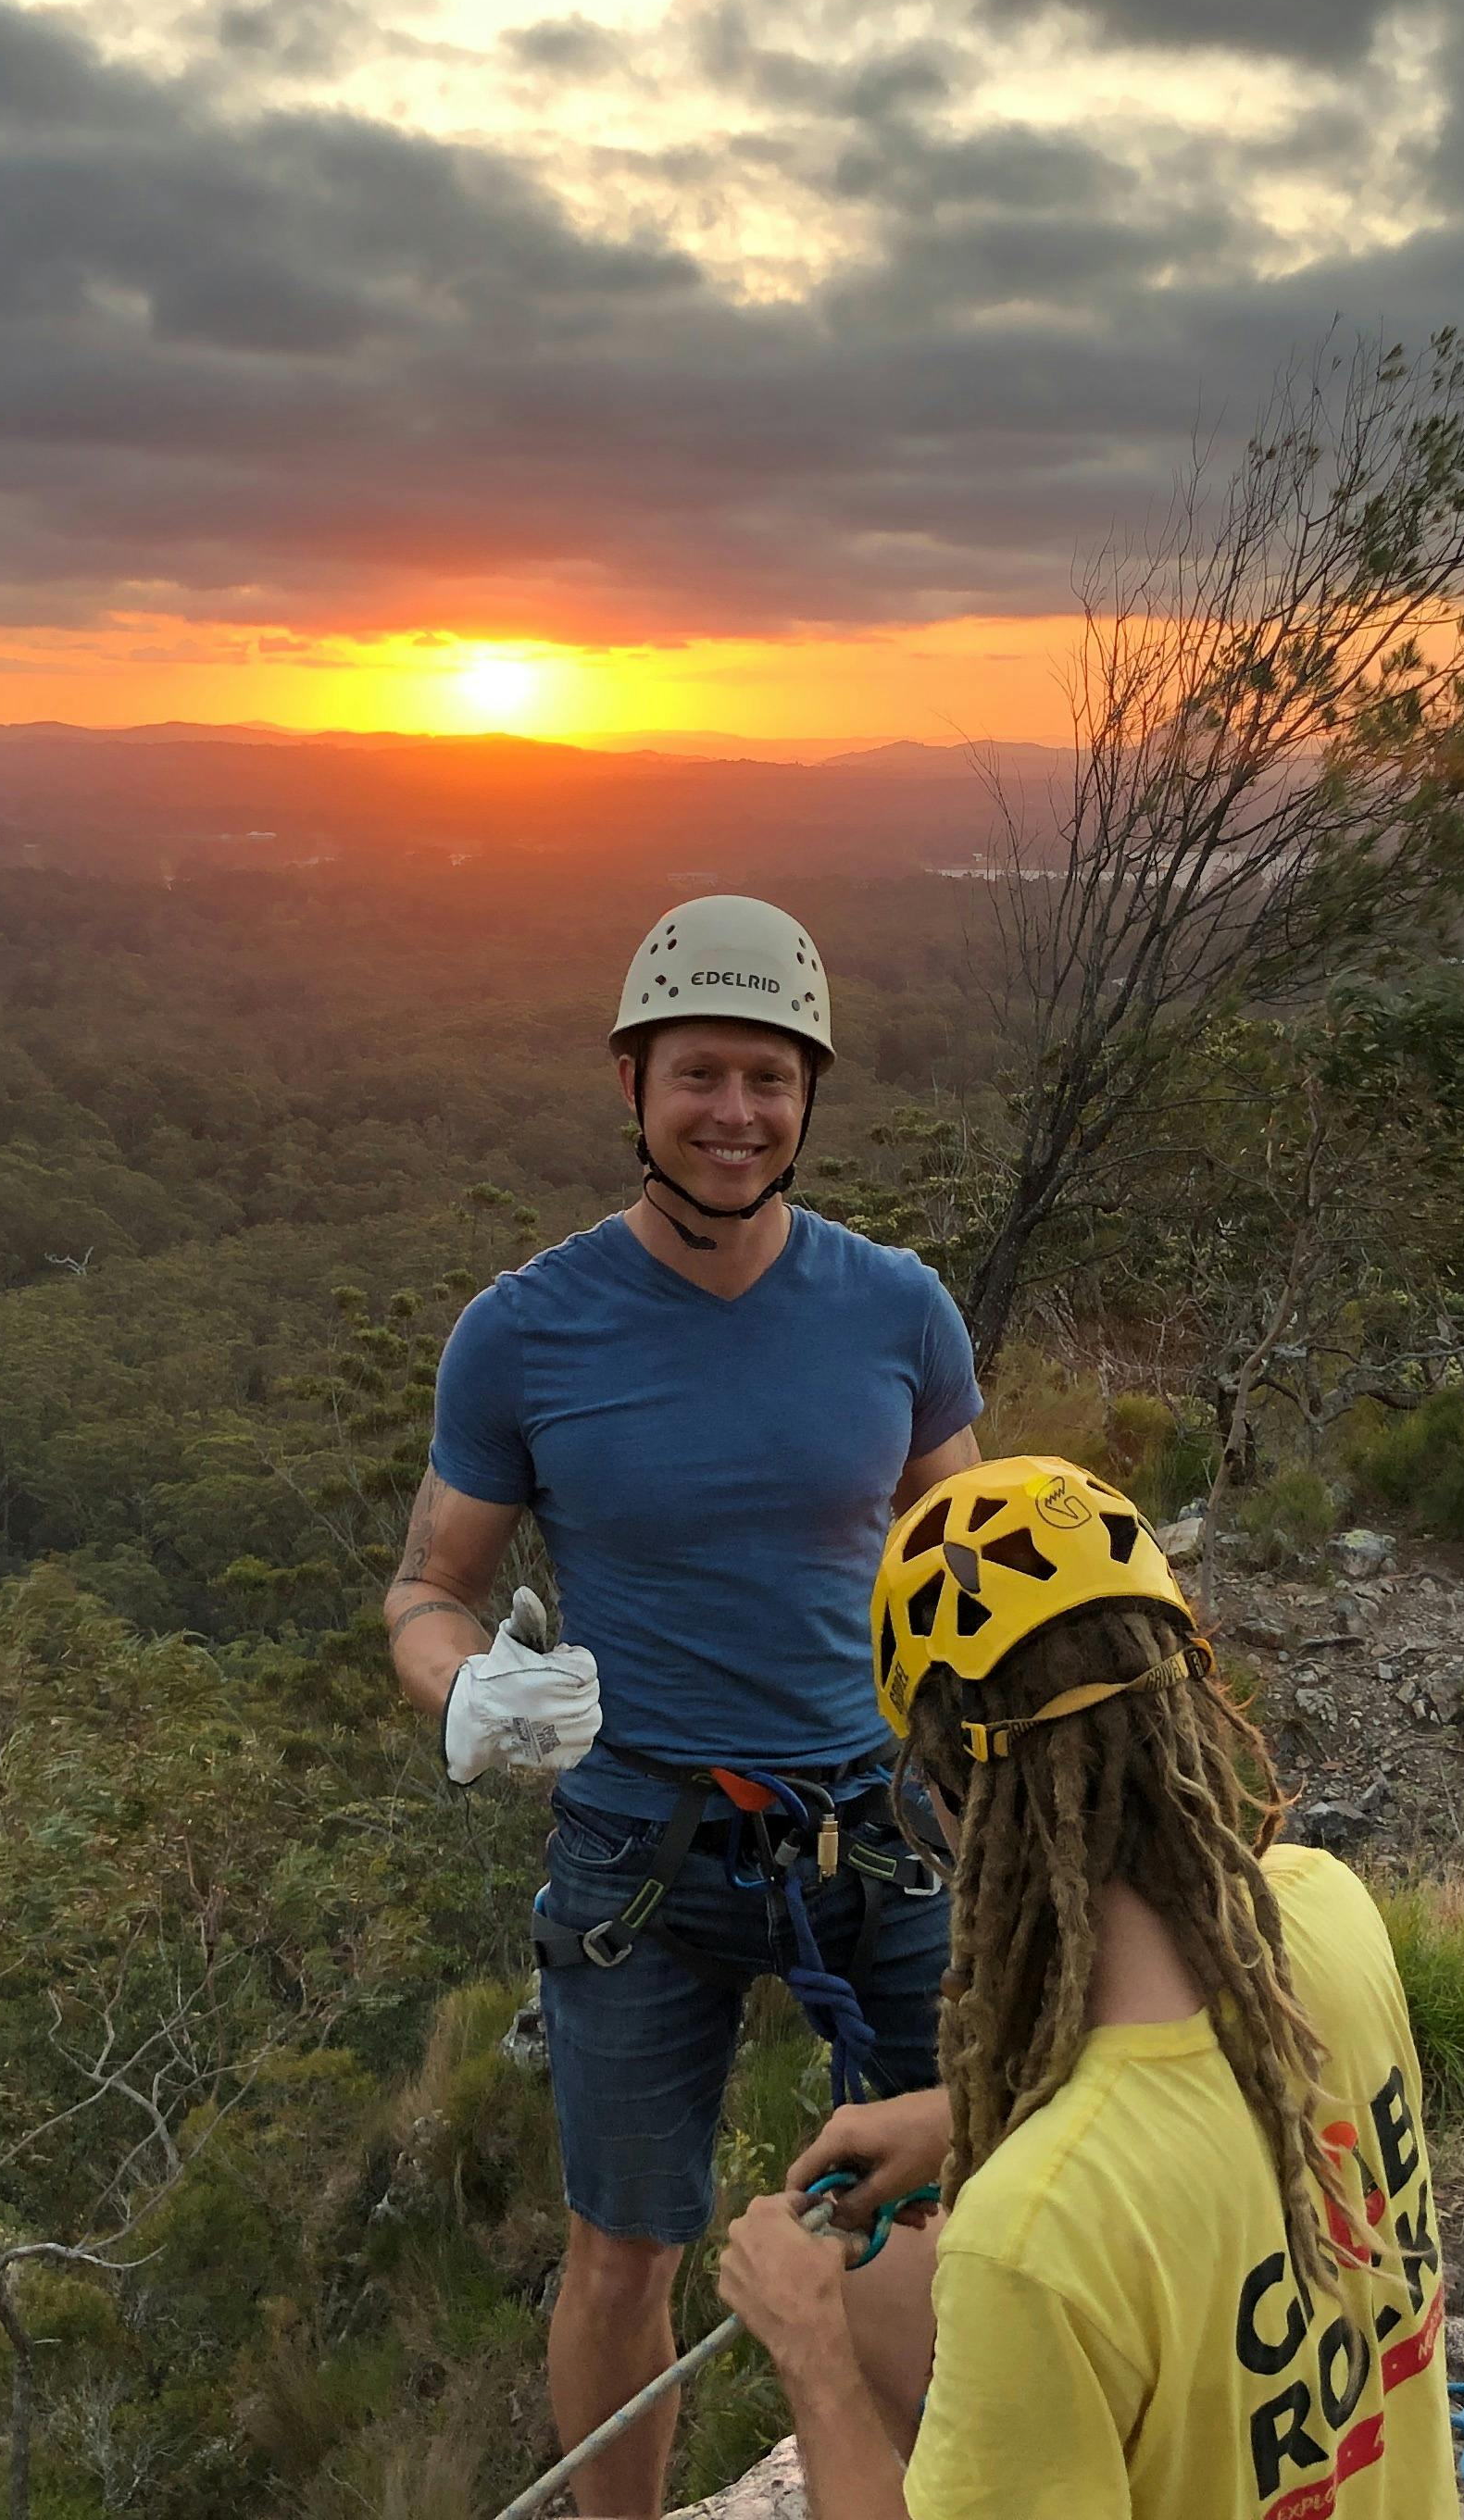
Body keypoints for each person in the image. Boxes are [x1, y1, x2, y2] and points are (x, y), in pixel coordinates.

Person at [382, 894, 984, 2520]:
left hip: (874, 1828)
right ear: (633, 1083)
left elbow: (970, 1560)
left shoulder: (896, 1309)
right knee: (622, 2244)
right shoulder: (525, 1329)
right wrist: (469, 1692)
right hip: (642, 1847)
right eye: (700, 1074)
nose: (735, 1112)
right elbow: (428, 1583)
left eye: (771, 1078)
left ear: (809, 1096)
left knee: (938, 2201)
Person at [712, 1454, 1456, 2520]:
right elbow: (1191, 2108)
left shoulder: (1034, 2240)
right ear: (1187, 1703)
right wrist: (962, 2117)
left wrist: (808, 2346)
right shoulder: (1328, 1910)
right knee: (894, 2286)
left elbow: (1103, 2180)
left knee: (866, 2299)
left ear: (947, 1802)